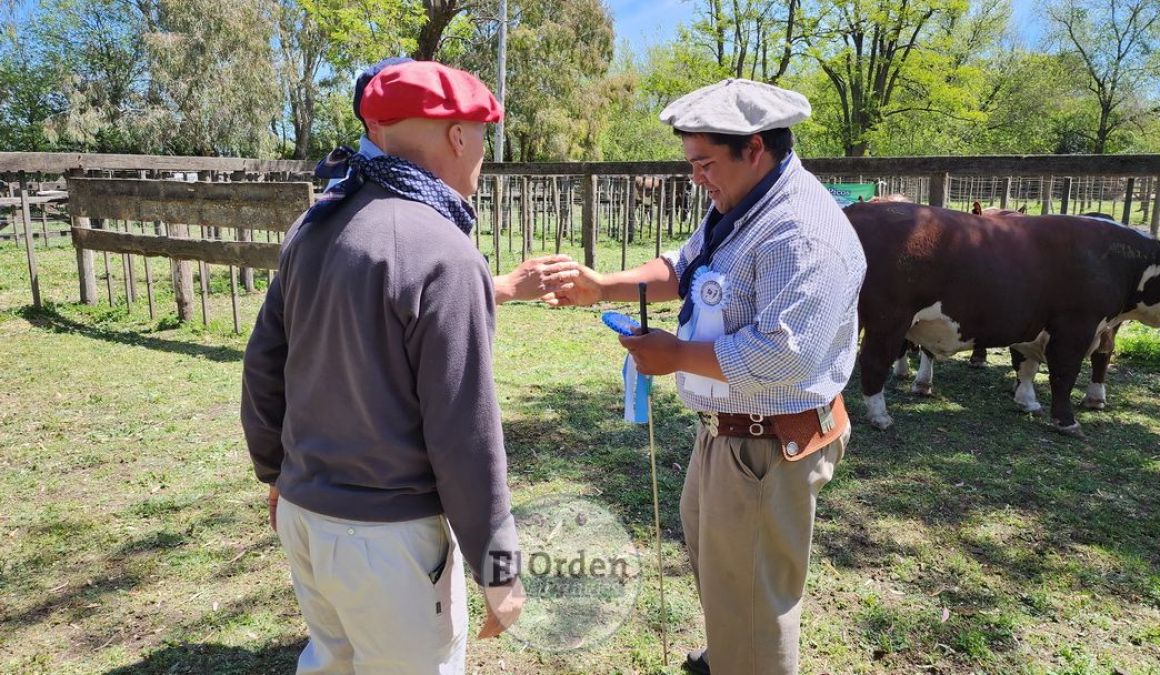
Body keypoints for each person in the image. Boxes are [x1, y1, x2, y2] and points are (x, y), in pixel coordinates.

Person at [542, 79, 866, 674]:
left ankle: (747, 660)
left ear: (755, 148)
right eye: (692, 163)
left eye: (705, 163)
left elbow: (783, 355)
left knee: (753, 594)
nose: (697, 178)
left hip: (767, 443)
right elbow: (684, 267)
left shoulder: (803, 232)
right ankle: (731, 653)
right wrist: (602, 287)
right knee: (726, 571)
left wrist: (675, 356)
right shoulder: (744, 206)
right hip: (732, 433)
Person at [242, 60, 524, 674]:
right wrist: (498, 566)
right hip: (389, 541)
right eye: (482, 135)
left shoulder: (315, 227)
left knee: (332, 663)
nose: (482, 152)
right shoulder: (445, 252)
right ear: (456, 134)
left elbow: (265, 367)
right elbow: (465, 436)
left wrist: (277, 475)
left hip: (305, 517)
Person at [323, 55, 570, 306]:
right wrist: (505, 285)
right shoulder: (419, 222)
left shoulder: (341, 192)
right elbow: (424, 290)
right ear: (373, 124)